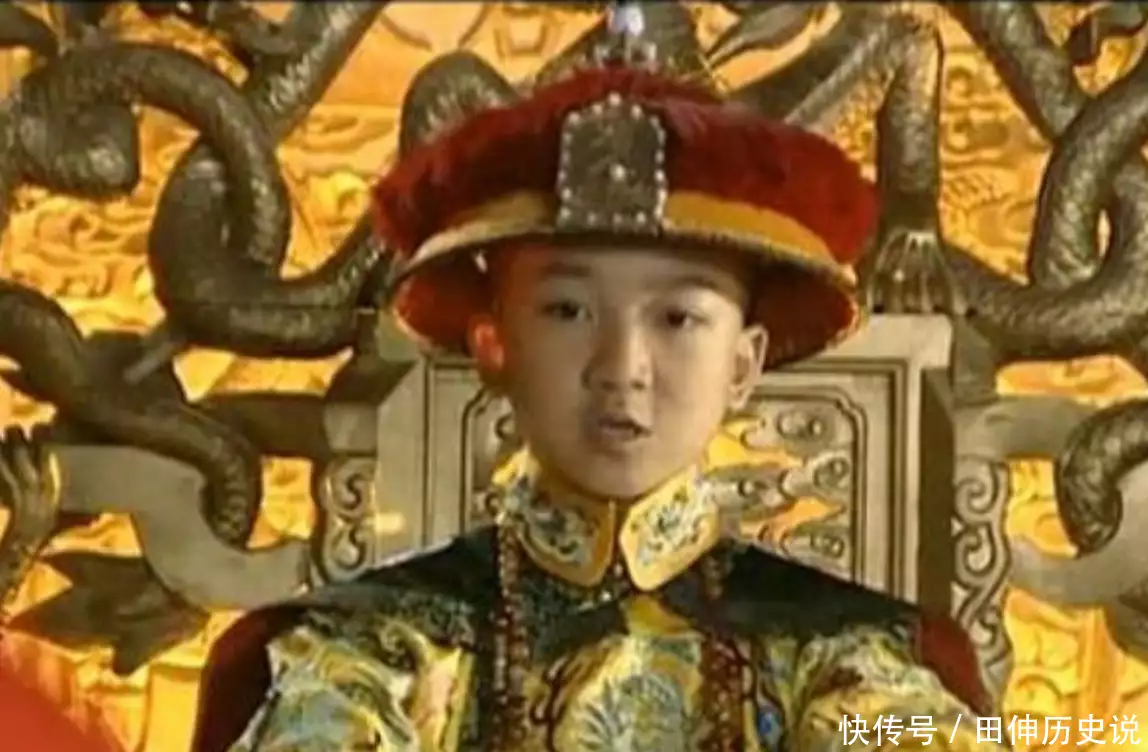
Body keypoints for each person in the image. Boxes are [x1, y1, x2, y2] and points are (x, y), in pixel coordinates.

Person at [193, 8, 1001, 752]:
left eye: (677, 318)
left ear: (743, 364)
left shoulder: (843, 653)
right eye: (567, 311)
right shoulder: (369, 652)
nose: (622, 369)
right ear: (493, 344)